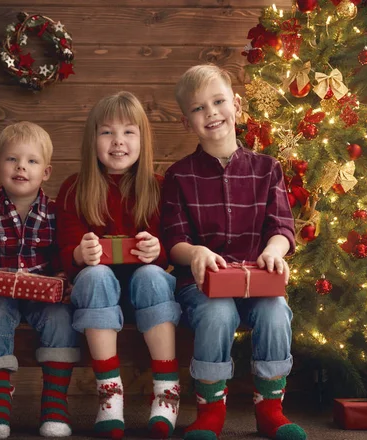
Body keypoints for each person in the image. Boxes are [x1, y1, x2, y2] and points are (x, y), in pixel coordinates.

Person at [161, 64, 306, 440]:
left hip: (256, 280)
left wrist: (275, 249)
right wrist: (194, 253)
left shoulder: (267, 169)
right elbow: (173, 239)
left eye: (218, 101)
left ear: (237, 105)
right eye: (198, 108)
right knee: (218, 312)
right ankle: (210, 412)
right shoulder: (179, 176)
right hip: (203, 286)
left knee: (276, 311)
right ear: (186, 121)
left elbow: (282, 227)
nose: (210, 113)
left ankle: (270, 410)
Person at [56, 92, 182, 440]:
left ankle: (167, 390)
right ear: (92, 140)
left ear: (143, 138)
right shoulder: (74, 189)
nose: (118, 142)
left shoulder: (158, 188)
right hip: (98, 298)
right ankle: (109, 393)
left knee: (153, 275)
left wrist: (158, 250)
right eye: (107, 133)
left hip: (147, 293)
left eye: (129, 132)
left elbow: (172, 245)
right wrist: (81, 254)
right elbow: (65, 250)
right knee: (95, 275)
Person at [0, 121, 80, 439]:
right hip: (0, 294)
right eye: (12, 160)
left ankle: (56, 401)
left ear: (45, 172)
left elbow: (64, 254)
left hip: (44, 295)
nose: (21, 167)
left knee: (62, 317)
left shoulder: (57, 213)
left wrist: (63, 280)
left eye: (32, 161)